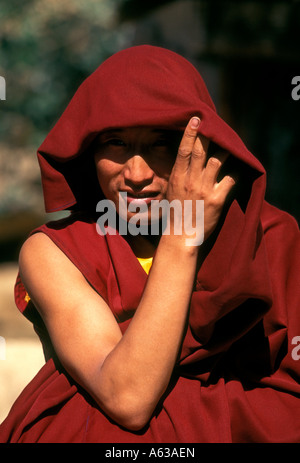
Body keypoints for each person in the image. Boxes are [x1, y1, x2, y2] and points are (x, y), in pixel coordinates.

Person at [0, 45, 300, 443]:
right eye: (115, 144)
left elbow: (285, 401)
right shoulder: (56, 250)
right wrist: (182, 235)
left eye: (160, 143)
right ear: (89, 152)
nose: (136, 174)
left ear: (202, 147)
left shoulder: (269, 235)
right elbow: (128, 397)